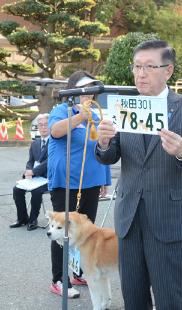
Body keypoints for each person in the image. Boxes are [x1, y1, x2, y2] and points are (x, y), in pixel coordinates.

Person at [95, 40, 182, 310]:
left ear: (168, 71)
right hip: (128, 216)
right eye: (137, 67)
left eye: (149, 67)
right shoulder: (125, 106)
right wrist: (103, 143)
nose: (140, 74)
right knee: (133, 297)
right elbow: (110, 155)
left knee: (170, 297)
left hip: (169, 217)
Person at [47, 70, 111, 298]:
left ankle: (79, 272)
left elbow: (100, 147)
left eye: (92, 89)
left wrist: (105, 178)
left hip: (91, 182)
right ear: (74, 91)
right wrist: (79, 117)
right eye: (85, 89)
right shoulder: (61, 111)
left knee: (86, 230)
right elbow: (55, 131)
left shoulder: (96, 114)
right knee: (62, 232)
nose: (89, 93)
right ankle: (58, 279)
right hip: (65, 183)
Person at [10, 113, 49, 231]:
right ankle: (22, 218)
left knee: (36, 192)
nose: (42, 127)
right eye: (40, 125)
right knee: (17, 189)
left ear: (51, 125)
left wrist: (33, 172)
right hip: (34, 177)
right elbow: (30, 161)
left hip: (48, 178)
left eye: (45, 125)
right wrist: (28, 170)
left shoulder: (55, 143)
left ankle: (33, 220)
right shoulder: (35, 143)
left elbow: (49, 162)